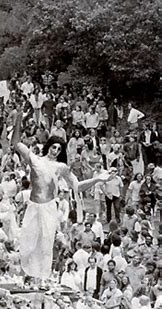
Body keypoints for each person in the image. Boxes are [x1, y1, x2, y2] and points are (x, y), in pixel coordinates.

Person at [12, 114, 107, 278]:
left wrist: (98, 179)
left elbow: (77, 186)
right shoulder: (35, 160)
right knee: (27, 243)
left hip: (49, 207)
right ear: (48, 146)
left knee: (46, 244)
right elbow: (16, 143)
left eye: (58, 149)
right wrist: (18, 119)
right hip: (34, 205)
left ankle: (43, 277)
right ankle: (25, 275)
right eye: (53, 147)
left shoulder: (61, 167)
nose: (55, 151)